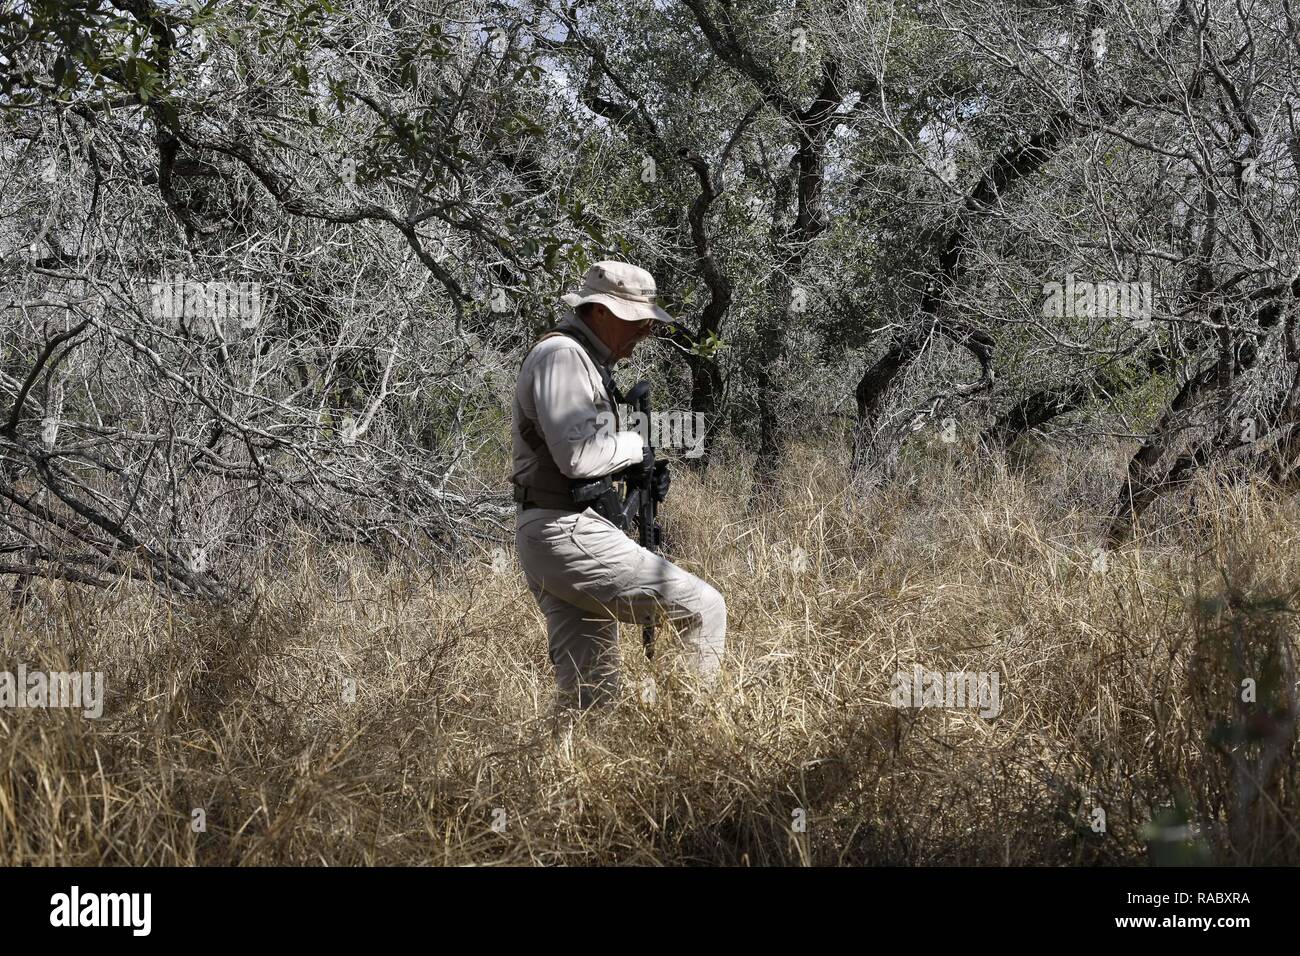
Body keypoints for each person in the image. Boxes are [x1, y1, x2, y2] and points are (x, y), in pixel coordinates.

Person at [511, 261, 727, 708]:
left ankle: (568, 773)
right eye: (636, 318)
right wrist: (636, 446)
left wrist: (633, 473)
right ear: (600, 313)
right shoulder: (563, 356)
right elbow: (576, 457)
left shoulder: (580, 358)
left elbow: (577, 453)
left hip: (557, 529)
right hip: (565, 529)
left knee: (590, 701)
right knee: (704, 610)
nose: (645, 330)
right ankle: (697, 741)